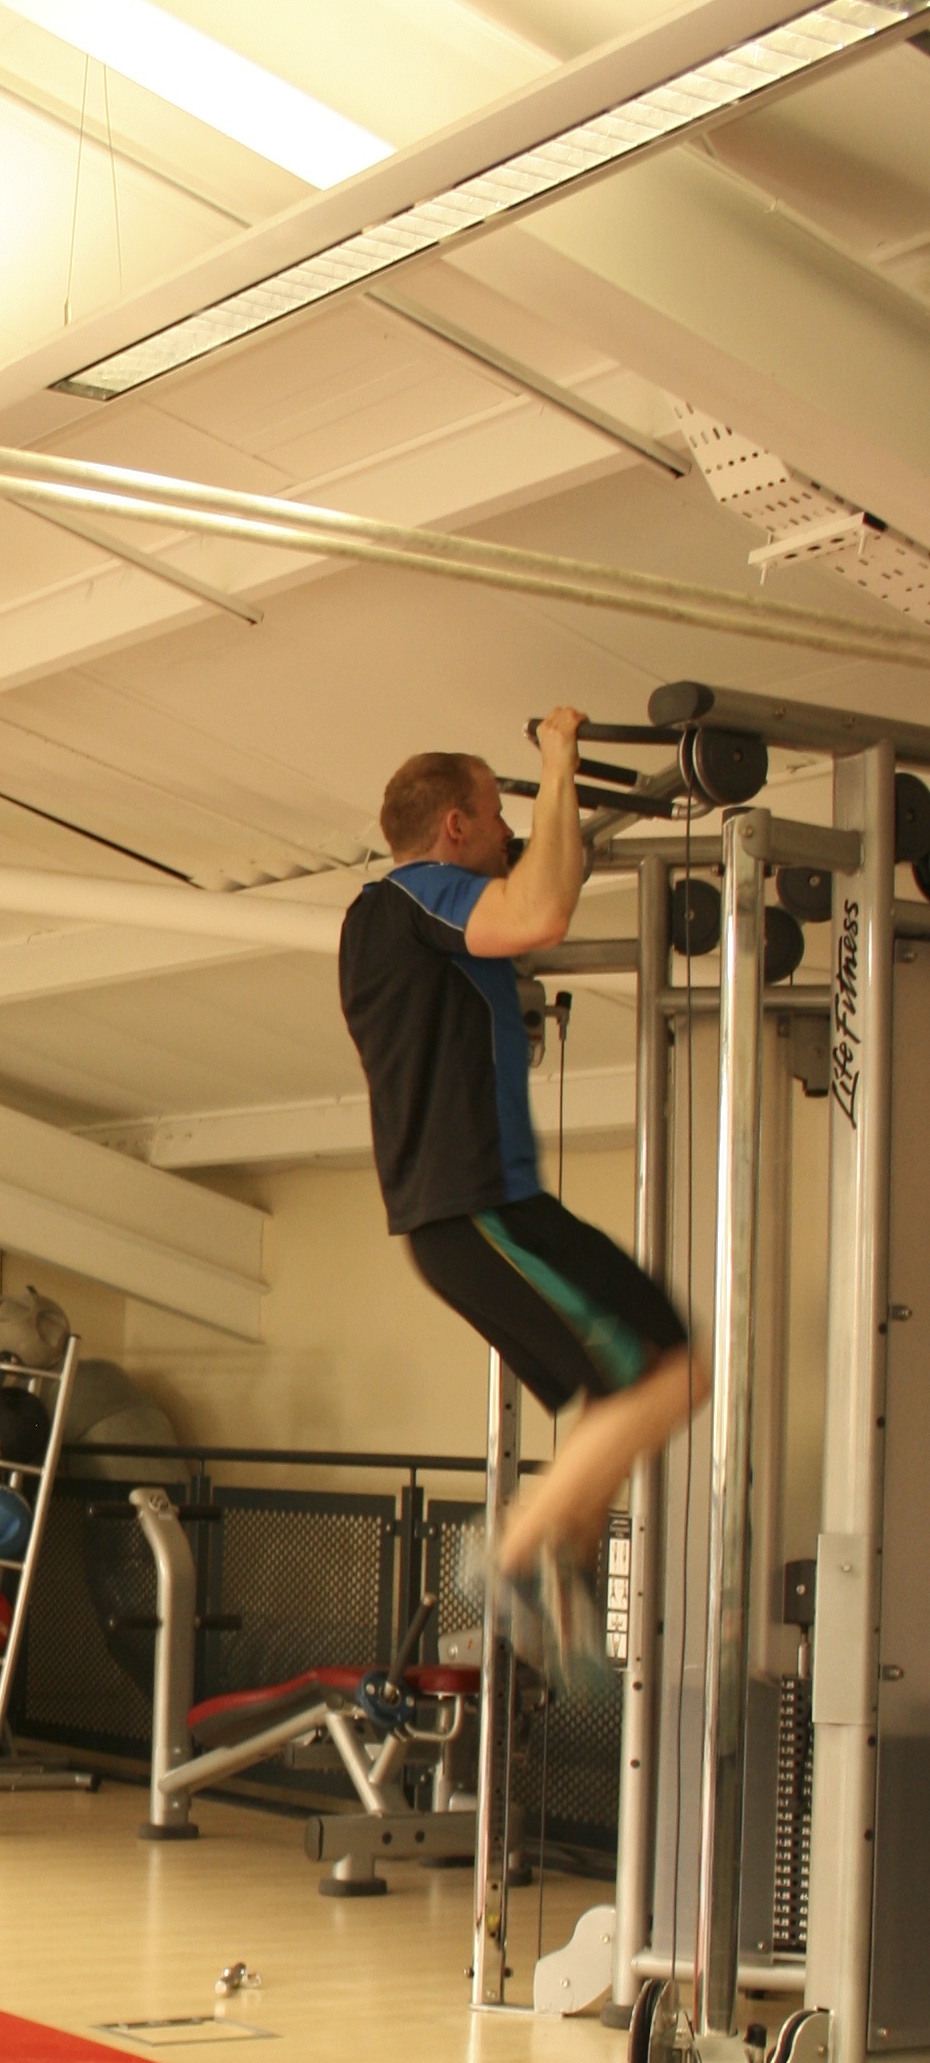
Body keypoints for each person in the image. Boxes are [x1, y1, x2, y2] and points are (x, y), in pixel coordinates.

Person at [338, 710, 707, 1659]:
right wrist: (557, 760)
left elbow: (543, 891)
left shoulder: (414, 921)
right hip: (476, 1213)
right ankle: (509, 1554)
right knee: (643, 1381)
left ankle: (559, 1557)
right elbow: (543, 908)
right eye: (498, 817)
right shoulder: (414, 897)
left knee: (652, 1375)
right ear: (454, 828)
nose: (510, 834)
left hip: (485, 1212)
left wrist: (553, 812)